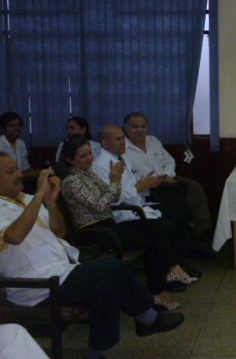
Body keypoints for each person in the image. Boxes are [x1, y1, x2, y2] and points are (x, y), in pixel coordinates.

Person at [0, 153, 184, 359]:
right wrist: (40, 195)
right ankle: (148, 318)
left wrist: (50, 203)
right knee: (108, 268)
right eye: (11, 171)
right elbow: (14, 237)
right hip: (37, 286)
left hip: (61, 271)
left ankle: (96, 354)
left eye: (17, 168)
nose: (19, 174)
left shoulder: (25, 199)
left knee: (107, 288)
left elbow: (58, 232)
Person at [57, 136, 199, 311]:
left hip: (108, 223)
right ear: (70, 159)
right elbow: (101, 205)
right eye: (83, 156)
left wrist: (114, 181)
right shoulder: (71, 181)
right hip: (93, 232)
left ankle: (171, 272)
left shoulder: (89, 174)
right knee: (153, 239)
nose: (89, 158)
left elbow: (113, 198)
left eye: (90, 153)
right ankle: (162, 289)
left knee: (156, 225)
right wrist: (115, 180)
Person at [92, 125, 201, 278]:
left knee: (182, 212)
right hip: (122, 212)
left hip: (138, 203)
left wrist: (149, 183)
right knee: (166, 225)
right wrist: (137, 188)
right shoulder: (101, 164)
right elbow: (112, 198)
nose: (123, 142)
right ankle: (169, 272)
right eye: (118, 139)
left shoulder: (122, 158)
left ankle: (180, 264)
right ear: (105, 144)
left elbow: (135, 184)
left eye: (123, 138)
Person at [123, 112, 213, 243]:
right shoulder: (122, 148)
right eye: (135, 127)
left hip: (168, 178)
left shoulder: (153, 141)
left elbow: (169, 161)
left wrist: (167, 175)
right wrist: (154, 181)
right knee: (178, 203)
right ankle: (191, 241)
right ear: (126, 128)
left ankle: (204, 231)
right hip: (149, 187)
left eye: (143, 126)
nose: (140, 130)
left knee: (195, 187)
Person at [0, 111, 41, 180]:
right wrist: (34, 173)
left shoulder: (21, 143)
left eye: (18, 125)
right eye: (11, 126)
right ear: (2, 129)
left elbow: (25, 168)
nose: (16, 128)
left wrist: (42, 172)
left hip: (21, 181)